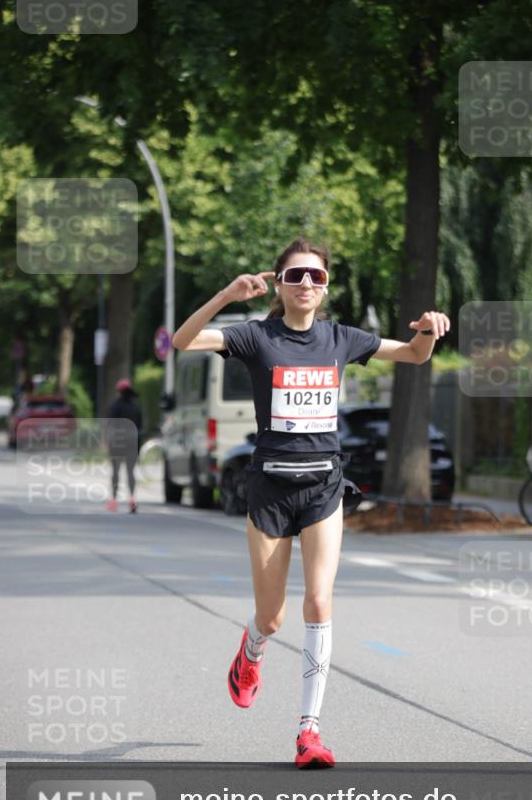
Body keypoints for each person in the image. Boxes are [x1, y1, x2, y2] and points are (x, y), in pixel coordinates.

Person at [172, 237, 449, 768]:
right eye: (296, 276)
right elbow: (182, 341)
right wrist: (228, 295)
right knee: (272, 618)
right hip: (270, 490)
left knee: (319, 602)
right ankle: (251, 653)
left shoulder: (342, 339)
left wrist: (428, 331)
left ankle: (309, 732)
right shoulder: (255, 337)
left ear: (325, 288)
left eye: (316, 278)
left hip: (323, 488)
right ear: (279, 284)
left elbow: (413, 355)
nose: (305, 285)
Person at [105, 378, 143, 513]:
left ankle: (114, 501)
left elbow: (110, 425)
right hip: (132, 443)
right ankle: (132, 500)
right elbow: (140, 427)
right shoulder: (135, 407)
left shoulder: (115, 406)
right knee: (131, 473)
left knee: (115, 472)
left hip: (118, 443)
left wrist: (106, 441)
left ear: (119, 392)